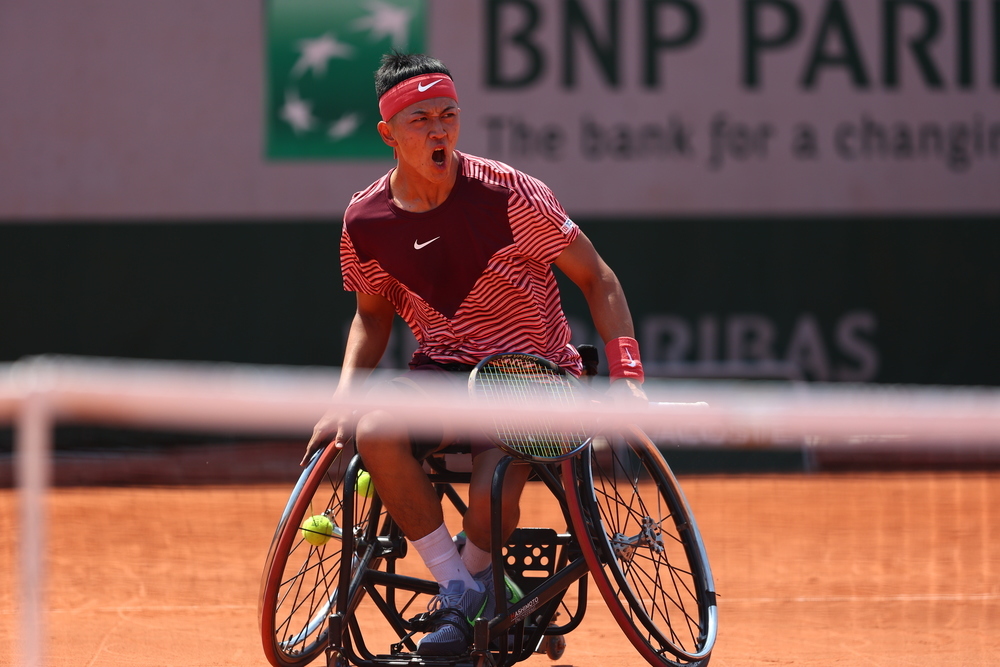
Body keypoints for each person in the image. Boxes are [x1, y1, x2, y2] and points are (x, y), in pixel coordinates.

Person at [303, 51, 646, 657]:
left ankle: (469, 593)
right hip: (443, 374)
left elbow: (599, 278)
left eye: (449, 115)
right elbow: (370, 319)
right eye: (421, 121)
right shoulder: (365, 220)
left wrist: (628, 379)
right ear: (388, 134)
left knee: (493, 484)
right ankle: (465, 589)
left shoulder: (509, 195)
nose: (439, 131)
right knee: (377, 428)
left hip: (532, 376)